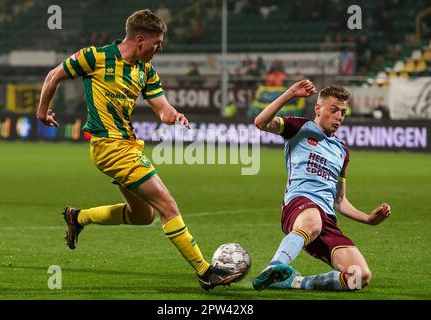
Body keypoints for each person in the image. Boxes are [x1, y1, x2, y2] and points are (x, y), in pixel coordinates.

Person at [36, 9, 243, 290]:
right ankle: (205, 271)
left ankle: (78, 217)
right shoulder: (95, 57)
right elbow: (53, 76)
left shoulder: (146, 71)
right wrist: (42, 110)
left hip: (128, 145)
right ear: (139, 39)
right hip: (110, 147)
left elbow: (163, 109)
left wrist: (174, 115)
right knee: (167, 205)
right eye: (157, 43)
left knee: (142, 216)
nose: (160, 49)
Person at [252, 80, 391, 291]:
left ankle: (296, 282)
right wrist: (290, 93)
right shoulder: (299, 127)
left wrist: (369, 219)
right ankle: (275, 265)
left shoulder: (342, 150)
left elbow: (339, 200)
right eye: (333, 110)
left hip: (326, 219)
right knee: (312, 222)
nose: (339, 117)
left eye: (343, 112)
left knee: (360, 277)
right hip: (299, 205)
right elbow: (261, 122)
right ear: (318, 109)